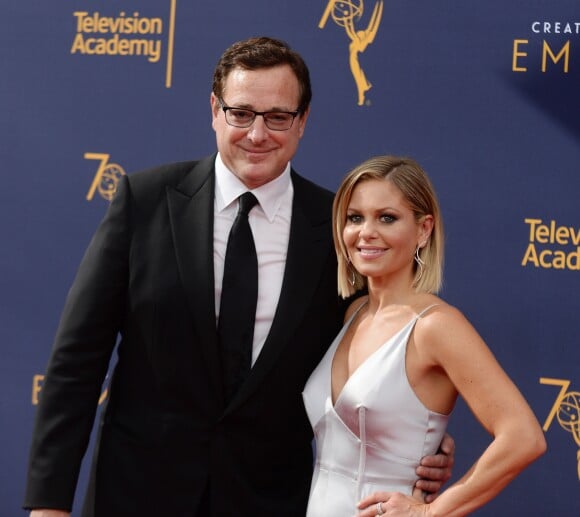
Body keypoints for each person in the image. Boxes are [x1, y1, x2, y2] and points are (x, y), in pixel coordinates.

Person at [23, 38, 454, 517]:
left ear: (302, 121)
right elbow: (75, 364)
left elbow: (374, 353)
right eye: (241, 113)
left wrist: (417, 436)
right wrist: (48, 504)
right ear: (214, 109)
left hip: (268, 500)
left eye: (277, 117)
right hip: (138, 495)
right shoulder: (144, 203)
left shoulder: (339, 228)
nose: (257, 134)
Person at [302, 155, 547, 516]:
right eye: (355, 217)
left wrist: (430, 513)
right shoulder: (353, 315)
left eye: (387, 218)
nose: (366, 231)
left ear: (423, 229)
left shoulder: (435, 326)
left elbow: (523, 437)